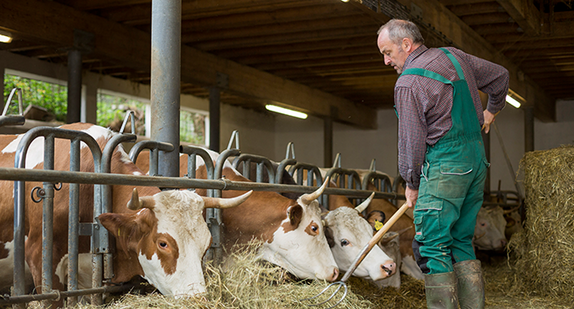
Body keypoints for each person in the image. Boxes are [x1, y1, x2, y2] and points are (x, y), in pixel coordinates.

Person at [377, 19, 509, 309]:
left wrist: (411, 183)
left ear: (406, 45)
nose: (386, 61)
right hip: (475, 163)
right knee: (461, 239)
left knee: (431, 244)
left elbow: (411, 142)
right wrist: (491, 111)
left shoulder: (409, 82)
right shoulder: (454, 56)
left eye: (388, 52)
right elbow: (500, 76)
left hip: (446, 166)